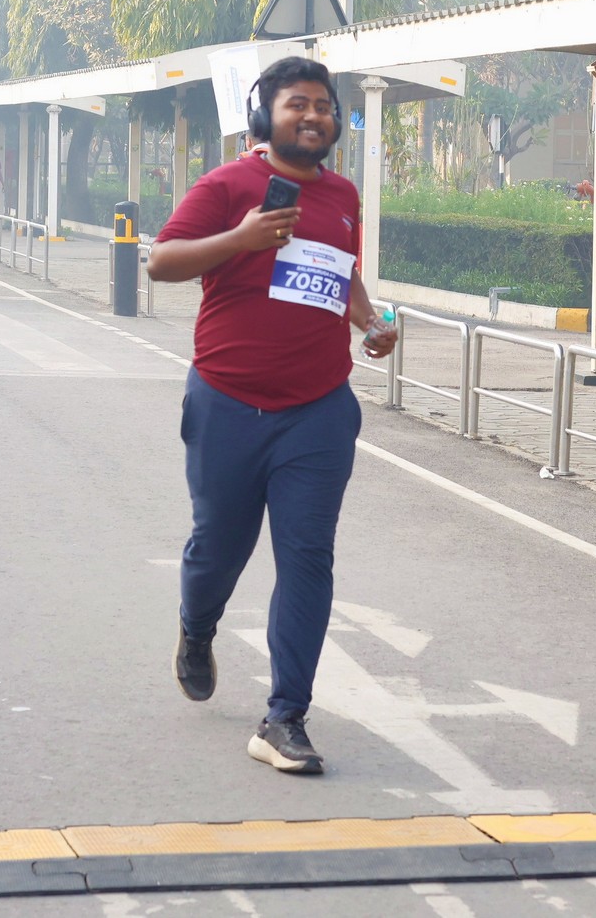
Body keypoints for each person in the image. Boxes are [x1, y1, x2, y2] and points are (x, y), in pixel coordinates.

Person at [146, 56, 397, 777]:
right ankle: (197, 628)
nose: (313, 116)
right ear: (267, 114)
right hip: (227, 403)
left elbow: (340, 269)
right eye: (297, 104)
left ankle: (285, 717)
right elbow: (162, 261)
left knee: (308, 557)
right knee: (218, 548)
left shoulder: (343, 195)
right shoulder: (227, 186)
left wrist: (370, 321)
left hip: (317, 412)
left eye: (323, 105)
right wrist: (241, 239)